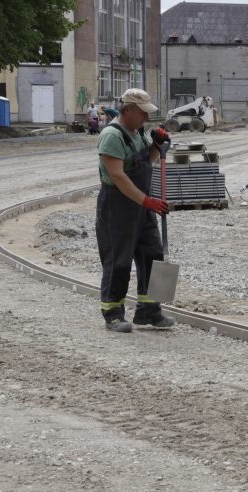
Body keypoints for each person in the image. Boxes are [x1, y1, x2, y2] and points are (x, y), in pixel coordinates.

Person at [96, 88, 175, 333]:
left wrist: (158, 146)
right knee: (118, 260)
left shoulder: (137, 132)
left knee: (153, 254)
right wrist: (147, 201)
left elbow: (145, 161)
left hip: (141, 205)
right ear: (127, 110)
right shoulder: (111, 135)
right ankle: (113, 314)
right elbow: (118, 176)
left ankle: (150, 311)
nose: (146, 118)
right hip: (117, 206)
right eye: (142, 113)